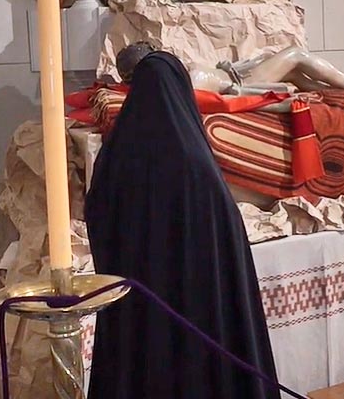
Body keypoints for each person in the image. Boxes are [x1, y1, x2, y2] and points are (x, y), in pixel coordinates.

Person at [84, 51, 279, 399]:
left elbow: (98, 217)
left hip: (139, 314)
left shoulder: (115, 157)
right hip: (202, 316)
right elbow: (227, 241)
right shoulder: (196, 162)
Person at [114, 41, 344, 94]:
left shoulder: (173, 79)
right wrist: (264, 92)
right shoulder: (183, 82)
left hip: (238, 74)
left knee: (295, 73)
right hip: (244, 81)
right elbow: (228, 91)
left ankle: (341, 92)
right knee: (295, 54)